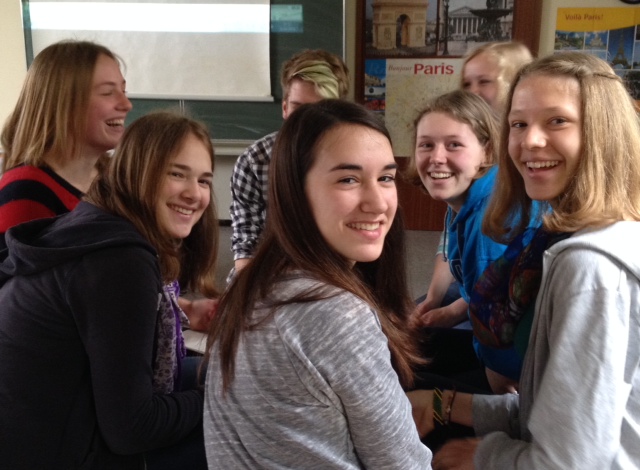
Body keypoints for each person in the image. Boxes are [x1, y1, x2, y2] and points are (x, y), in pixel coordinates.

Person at [410, 51, 640, 469]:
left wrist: (484, 455)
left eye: (557, 121)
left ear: (603, 132)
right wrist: (444, 403)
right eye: (518, 124)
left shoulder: (589, 266)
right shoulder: (576, 237)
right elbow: (550, 411)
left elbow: (569, 461)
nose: (530, 141)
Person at [204, 99, 432, 468]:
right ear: (295, 192)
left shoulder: (251, 284)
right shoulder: (335, 314)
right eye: (348, 179)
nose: (378, 203)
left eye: (386, 178)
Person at [0, 111, 219, 469]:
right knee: (248, 427)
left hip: (48, 428)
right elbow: (132, 428)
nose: (194, 194)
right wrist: (220, 398)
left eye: (204, 180)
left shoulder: (95, 222)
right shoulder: (120, 261)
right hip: (54, 453)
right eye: (176, 174)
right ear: (137, 171)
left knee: (225, 372)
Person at [407, 90, 526, 395]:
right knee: (408, 346)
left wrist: (496, 389)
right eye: (426, 145)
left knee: (405, 385)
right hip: (501, 345)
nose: (436, 157)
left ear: (487, 151)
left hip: (517, 375)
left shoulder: (491, 222)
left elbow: (499, 326)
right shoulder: (466, 198)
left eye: (454, 145)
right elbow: (479, 290)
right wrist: (448, 311)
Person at [416, 41, 533, 330]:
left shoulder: (503, 192)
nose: (473, 92)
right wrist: (432, 300)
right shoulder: (465, 186)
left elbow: (494, 302)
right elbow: (451, 246)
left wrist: (450, 313)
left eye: (485, 82)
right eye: (467, 83)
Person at [0, 40, 132, 250]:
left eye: (123, 91)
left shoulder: (117, 181)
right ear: (62, 103)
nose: (126, 104)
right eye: (108, 92)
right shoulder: (25, 191)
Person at [229, 49, 349, 277]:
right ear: (285, 108)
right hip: (273, 269)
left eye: (321, 109)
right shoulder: (255, 162)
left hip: (336, 267)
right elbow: (246, 243)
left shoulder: (355, 160)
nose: (307, 120)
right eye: (298, 108)